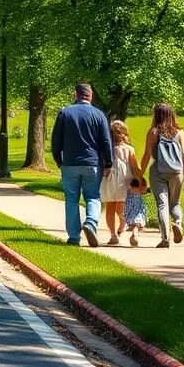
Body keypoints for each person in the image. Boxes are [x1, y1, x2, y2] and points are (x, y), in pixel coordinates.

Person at [51, 83, 113, 247]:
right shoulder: (99, 115)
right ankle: (91, 223)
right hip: (92, 163)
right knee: (93, 196)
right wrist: (108, 163)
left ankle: (74, 237)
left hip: (70, 163)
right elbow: (106, 141)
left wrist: (58, 159)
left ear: (75, 94)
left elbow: (56, 139)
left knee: (71, 199)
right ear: (90, 95)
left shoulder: (64, 113)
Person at [139, 102, 184, 248]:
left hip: (158, 171)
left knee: (162, 204)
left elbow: (146, 156)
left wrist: (140, 174)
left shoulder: (153, 132)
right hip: (177, 171)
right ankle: (178, 224)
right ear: (171, 114)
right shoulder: (180, 132)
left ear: (156, 115)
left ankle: (165, 239)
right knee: (175, 202)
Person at [101, 120, 142, 246]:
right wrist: (140, 179)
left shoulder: (107, 148)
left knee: (110, 206)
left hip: (110, 178)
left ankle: (114, 233)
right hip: (123, 179)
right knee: (119, 204)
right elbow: (135, 167)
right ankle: (120, 224)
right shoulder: (129, 149)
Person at [125, 176, 148, 247]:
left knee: (135, 225)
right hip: (139, 213)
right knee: (137, 225)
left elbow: (127, 206)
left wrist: (125, 214)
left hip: (132, 214)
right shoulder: (139, 195)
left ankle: (134, 235)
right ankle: (134, 235)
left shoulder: (129, 195)